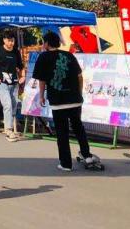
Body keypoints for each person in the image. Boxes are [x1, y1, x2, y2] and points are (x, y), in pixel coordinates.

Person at [31, 31, 102, 172]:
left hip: (58, 101)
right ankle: (87, 155)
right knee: (78, 128)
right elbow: (80, 76)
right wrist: (79, 93)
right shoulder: (69, 55)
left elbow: (42, 80)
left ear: (46, 43)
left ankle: (66, 163)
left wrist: (41, 96)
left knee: (62, 132)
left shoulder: (43, 57)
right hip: (75, 99)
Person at [0, 30, 24, 141]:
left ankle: (11, 126)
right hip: (1, 83)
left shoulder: (16, 52)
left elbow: (21, 66)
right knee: (7, 105)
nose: (11, 43)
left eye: (13, 41)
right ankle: (9, 130)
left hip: (14, 83)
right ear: (4, 40)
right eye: (9, 40)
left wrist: (23, 76)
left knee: (14, 105)